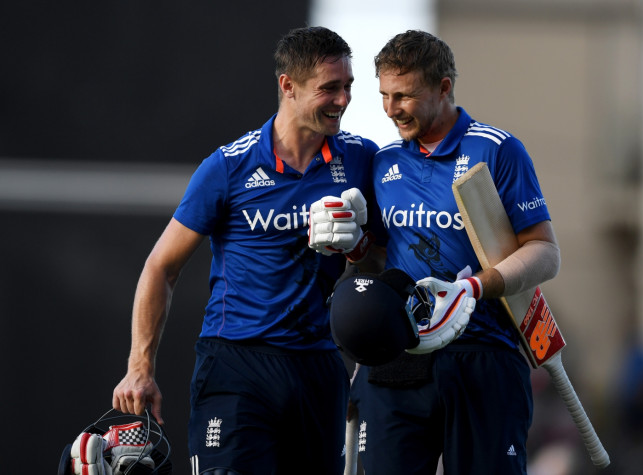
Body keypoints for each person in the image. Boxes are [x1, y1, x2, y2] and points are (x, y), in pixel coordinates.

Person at [111, 26, 380, 475]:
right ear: (288, 86)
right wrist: (140, 366)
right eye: (329, 88)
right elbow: (161, 266)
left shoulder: (362, 160)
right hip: (236, 365)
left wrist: (360, 247)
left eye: (348, 87)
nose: (343, 100)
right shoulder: (228, 166)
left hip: (317, 365)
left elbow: (383, 265)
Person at [332, 30, 561, 475]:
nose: (391, 109)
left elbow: (545, 253)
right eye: (384, 95)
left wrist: (472, 289)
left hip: (484, 355)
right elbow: (377, 260)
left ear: (443, 86)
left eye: (405, 96)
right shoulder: (383, 162)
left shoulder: (497, 150)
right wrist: (353, 244)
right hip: (399, 357)